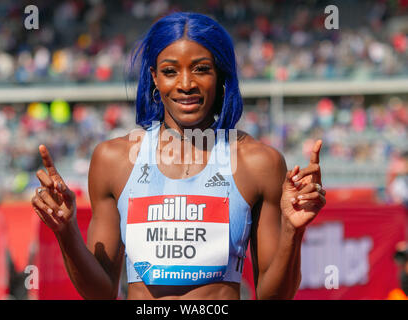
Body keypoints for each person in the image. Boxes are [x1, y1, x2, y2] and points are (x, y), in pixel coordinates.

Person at [31, 12, 326, 300]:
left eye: (201, 69)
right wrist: (65, 231)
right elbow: (102, 292)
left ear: (221, 75)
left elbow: (273, 295)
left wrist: (292, 232)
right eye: (170, 71)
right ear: (154, 78)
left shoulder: (260, 163)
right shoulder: (113, 160)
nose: (186, 84)